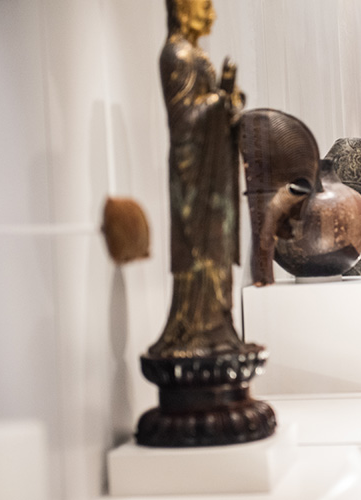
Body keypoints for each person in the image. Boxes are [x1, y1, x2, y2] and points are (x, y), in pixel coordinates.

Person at [150, 0, 247, 358]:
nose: (212, 13)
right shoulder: (176, 55)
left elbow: (210, 109)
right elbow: (183, 122)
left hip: (213, 173)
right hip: (194, 175)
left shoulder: (196, 55)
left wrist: (228, 104)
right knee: (198, 252)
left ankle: (218, 327)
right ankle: (195, 328)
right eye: (205, 4)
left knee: (216, 251)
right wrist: (219, 101)